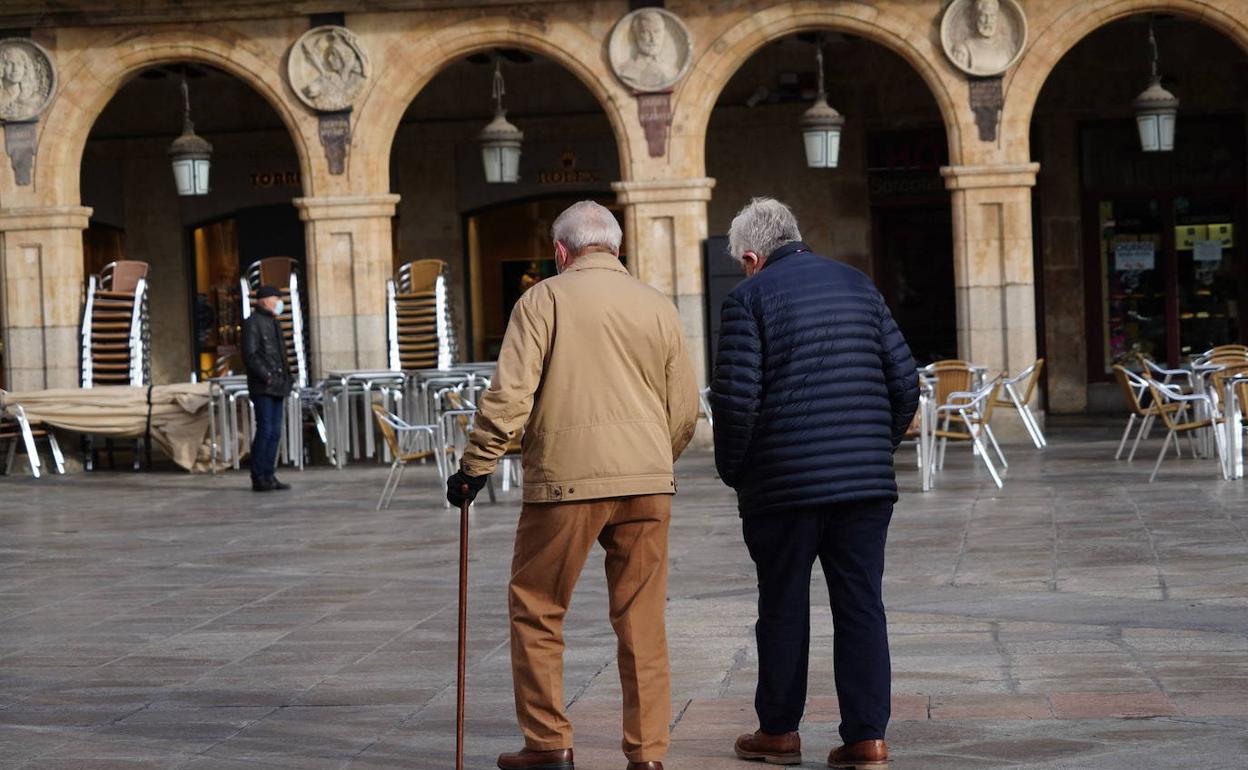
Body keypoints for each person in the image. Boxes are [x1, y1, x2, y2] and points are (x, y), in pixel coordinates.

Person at [446, 200, 699, 770]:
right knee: (642, 619)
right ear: (617, 247)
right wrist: (655, 459)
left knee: (537, 607)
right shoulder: (657, 306)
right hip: (647, 482)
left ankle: (549, 743)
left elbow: (509, 397)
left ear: (560, 252)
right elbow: (684, 408)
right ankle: (648, 753)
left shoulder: (542, 300)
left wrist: (474, 467)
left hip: (565, 482)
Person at [710, 198, 918, 768]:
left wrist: (737, 472)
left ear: (753, 257)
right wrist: (874, 450)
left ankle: (778, 732)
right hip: (865, 488)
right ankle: (866, 738)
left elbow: (735, 404)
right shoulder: (858, 285)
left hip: (783, 489)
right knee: (861, 606)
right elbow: (906, 384)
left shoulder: (747, 299)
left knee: (781, 606)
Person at [242, 285, 292, 492]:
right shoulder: (253, 323)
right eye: (276, 299)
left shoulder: (274, 322)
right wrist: (267, 377)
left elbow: (280, 354)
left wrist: (286, 378)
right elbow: (250, 355)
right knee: (266, 429)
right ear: (264, 300)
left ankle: (269, 474)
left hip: (278, 384)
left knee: (275, 431)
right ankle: (259, 475)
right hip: (264, 385)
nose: (279, 303)